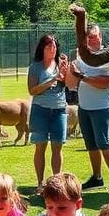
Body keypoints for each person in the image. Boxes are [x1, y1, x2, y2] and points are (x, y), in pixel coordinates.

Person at [66, 23, 109, 193]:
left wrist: (82, 76)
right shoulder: (80, 57)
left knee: (103, 143)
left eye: (95, 36)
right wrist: (68, 71)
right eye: (88, 37)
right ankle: (97, 178)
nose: (92, 39)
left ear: (101, 37)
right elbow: (70, 84)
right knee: (91, 145)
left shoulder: (108, 56)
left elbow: (105, 83)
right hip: (84, 107)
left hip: (102, 107)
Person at [28, 34, 70, 192]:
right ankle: (40, 183)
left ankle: (57, 183)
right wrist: (53, 79)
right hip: (40, 110)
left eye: (54, 46)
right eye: (48, 46)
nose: (52, 49)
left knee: (57, 146)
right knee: (40, 147)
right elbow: (32, 90)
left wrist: (66, 73)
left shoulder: (61, 63)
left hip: (59, 109)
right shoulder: (35, 67)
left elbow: (69, 84)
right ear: (42, 48)